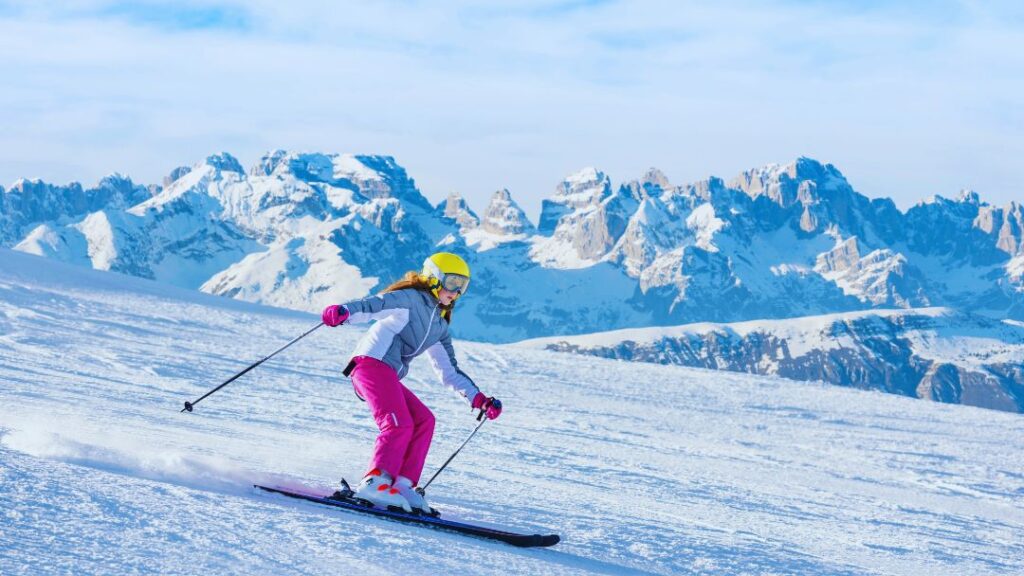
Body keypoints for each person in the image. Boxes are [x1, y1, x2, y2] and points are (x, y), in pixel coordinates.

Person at [320, 252, 502, 514]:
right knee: (398, 424)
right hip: (369, 365)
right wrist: (343, 313)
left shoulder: (438, 325)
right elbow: (373, 305)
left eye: (462, 286)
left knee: (424, 421)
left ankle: (403, 485)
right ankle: (375, 481)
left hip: (388, 376)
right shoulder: (410, 299)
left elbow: (449, 372)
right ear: (434, 278)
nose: (456, 291)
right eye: (452, 282)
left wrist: (480, 400)